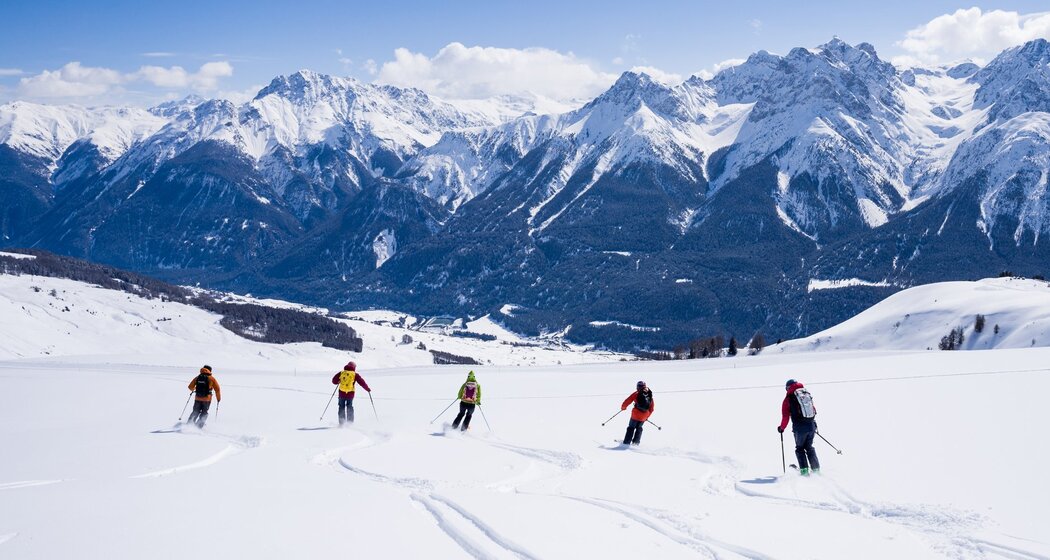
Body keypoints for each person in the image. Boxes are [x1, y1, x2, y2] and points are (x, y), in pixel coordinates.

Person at [778, 378, 820, 475]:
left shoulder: (788, 399)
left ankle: (804, 471)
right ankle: (816, 469)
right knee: (809, 447)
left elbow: (785, 417)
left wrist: (781, 428)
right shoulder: (806, 394)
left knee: (800, 448)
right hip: (811, 426)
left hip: (800, 429)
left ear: (788, 388)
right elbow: (813, 409)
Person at [621, 380, 654, 445]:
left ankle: (626, 443)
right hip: (644, 416)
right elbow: (651, 408)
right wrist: (647, 417)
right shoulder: (649, 395)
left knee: (631, 428)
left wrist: (623, 407)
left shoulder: (636, 393)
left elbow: (628, 400)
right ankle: (636, 443)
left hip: (635, 415)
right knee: (639, 428)